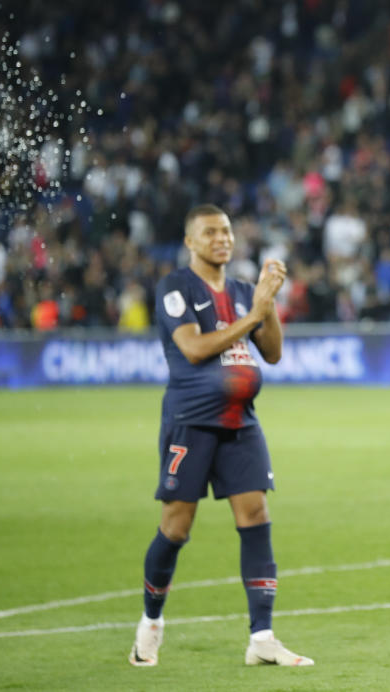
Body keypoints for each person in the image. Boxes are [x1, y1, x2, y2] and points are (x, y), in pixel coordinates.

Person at [128, 204, 312, 668]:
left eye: (226, 231)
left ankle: (262, 637)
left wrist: (265, 304)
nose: (221, 239)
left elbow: (271, 353)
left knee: (256, 513)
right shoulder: (176, 287)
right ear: (190, 242)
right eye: (210, 232)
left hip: (241, 421)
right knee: (176, 525)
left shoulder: (243, 291)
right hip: (191, 421)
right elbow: (192, 348)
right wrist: (253, 314)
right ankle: (150, 623)